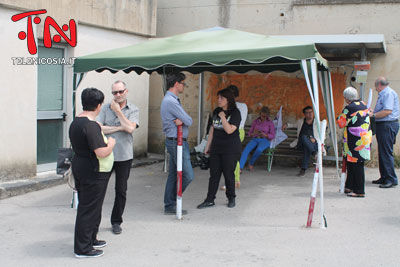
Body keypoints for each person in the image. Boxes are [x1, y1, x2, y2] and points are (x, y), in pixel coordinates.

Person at [69, 88, 115, 258]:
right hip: (93, 171)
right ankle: (82, 248)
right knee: (88, 209)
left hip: (81, 167)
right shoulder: (90, 125)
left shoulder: (76, 122)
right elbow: (101, 152)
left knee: (91, 207)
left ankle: (90, 239)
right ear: (98, 105)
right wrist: (111, 143)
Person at [97, 81, 139, 235]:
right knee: (99, 189)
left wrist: (119, 112)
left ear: (126, 91)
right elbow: (98, 127)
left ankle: (116, 221)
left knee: (121, 190)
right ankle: (95, 221)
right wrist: (121, 127)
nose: (118, 95)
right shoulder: (105, 108)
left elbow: (130, 128)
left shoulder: (133, 109)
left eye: (120, 92)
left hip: (124, 155)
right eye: (115, 93)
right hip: (105, 153)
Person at [197, 88, 242, 209]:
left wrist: (223, 117)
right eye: (218, 97)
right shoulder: (216, 110)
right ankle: (209, 199)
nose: (219, 100)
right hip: (216, 148)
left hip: (231, 149)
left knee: (228, 174)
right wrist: (207, 146)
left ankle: (231, 198)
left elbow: (229, 130)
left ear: (228, 100)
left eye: (221, 98)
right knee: (214, 175)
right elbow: (212, 129)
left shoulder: (235, 113)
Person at [160, 72, 194, 215]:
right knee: (188, 175)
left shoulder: (171, 99)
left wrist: (183, 120)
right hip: (176, 142)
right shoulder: (171, 101)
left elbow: (185, 120)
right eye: (183, 83)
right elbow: (189, 121)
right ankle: (174, 200)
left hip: (176, 141)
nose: (184, 86)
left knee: (174, 175)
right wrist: (183, 120)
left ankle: (169, 204)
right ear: (176, 84)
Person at [337, 87, 372, 197]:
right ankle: (350, 186)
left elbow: (341, 123)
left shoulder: (349, 108)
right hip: (364, 139)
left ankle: (359, 191)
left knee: (356, 165)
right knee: (352, 164)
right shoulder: (363, 104)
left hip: (354, 140)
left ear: (347, 98)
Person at [369, 77, 399, 188]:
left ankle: (391, 179)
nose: (376, 89)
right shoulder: (384, 94)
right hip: (384, 125)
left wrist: (373, 115)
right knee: (382, 152)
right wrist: (374, 112)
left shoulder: (387, 94)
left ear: (379, 85)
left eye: (376, 87)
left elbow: (387, 111)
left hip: (388, 125)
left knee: (386, 152)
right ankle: (384, 176)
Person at [220, 85, 247, 190]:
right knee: (233, 157)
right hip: (241, 131)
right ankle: (236, 180)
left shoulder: (232, 107)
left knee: (230, 158)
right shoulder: (244, 105)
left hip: (233, 131)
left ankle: (233, 181)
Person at [283, 106, 322, 177]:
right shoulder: (300, 121)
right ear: (305, 114)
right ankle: (314, 154)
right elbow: (293, 125)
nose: (310, 114)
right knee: (304, 137)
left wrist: (315, 139)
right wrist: (286, 125)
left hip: (313, 144)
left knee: (307, 148)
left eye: (311, 112)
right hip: (301, 143)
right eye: (308, 113)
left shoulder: (317, 122)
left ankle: (303, 170)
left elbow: (323, 135)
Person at [239, 106, 275, 171]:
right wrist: (254, 133)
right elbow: (249, 133)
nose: (263, 118)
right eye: (262, 116)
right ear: (260, 114)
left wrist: (265, 135)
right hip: (255, 139)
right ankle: (240, 167)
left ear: (267, 116)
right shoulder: (255, 122)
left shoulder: (270, 123)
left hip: (265, 140)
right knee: (246, 150)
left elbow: (272, 135)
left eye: (265, 116)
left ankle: (251, 163)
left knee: (259, 149)